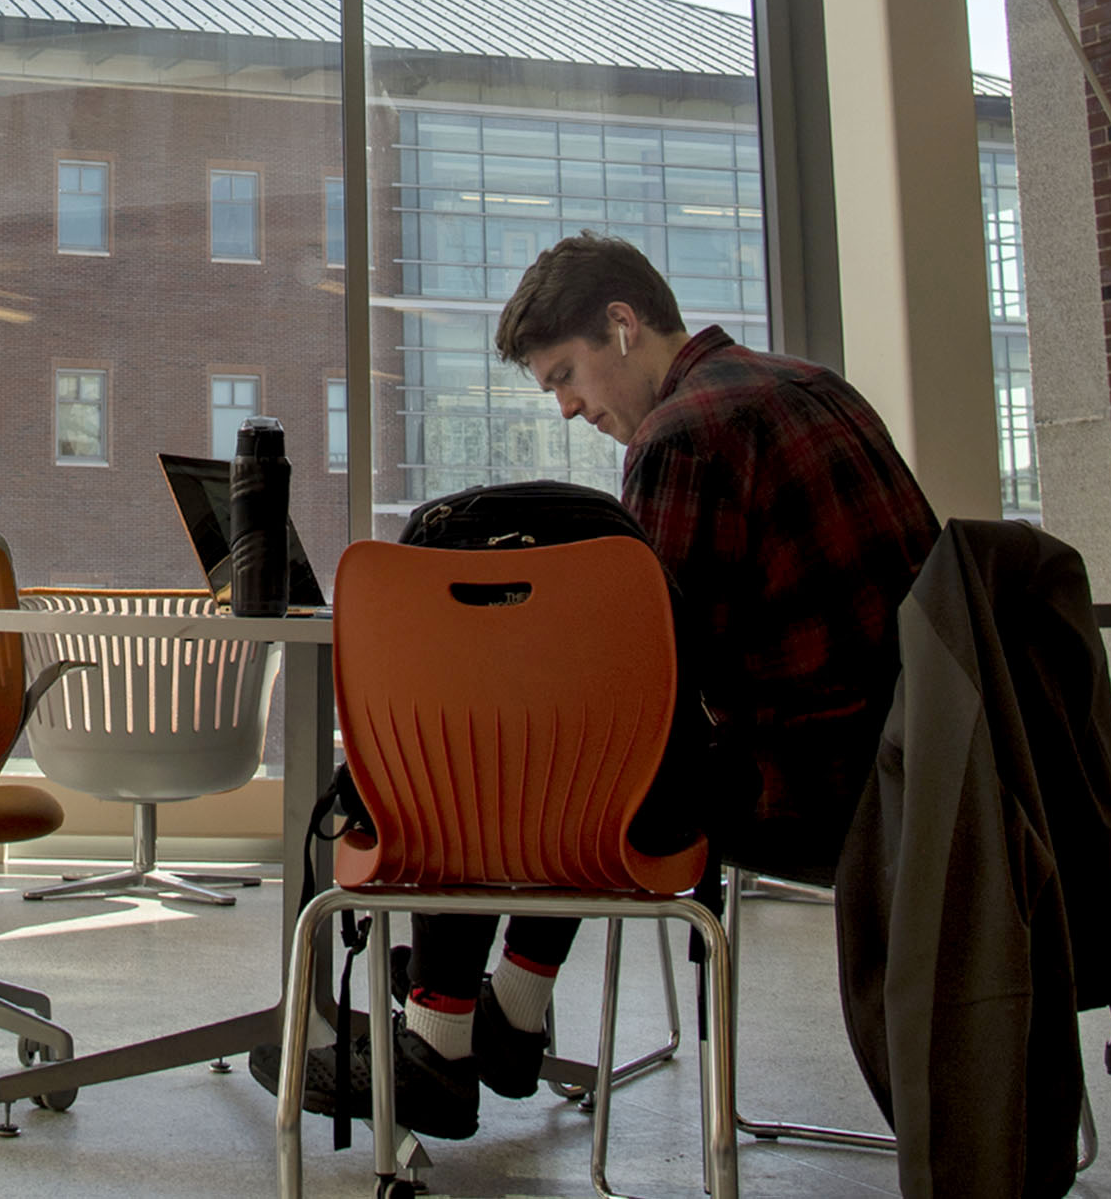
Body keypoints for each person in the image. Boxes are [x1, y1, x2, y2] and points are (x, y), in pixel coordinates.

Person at [278, 231, 940, 1138]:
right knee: (553, 755)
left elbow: (635, 695)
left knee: (489, 758)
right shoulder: (811, 384)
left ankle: (443, 1039)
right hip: (914, 768)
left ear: (623, 326)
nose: (565, 408)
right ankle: (505, 1013)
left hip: (813, 789)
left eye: (564, 375)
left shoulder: (687, 433)